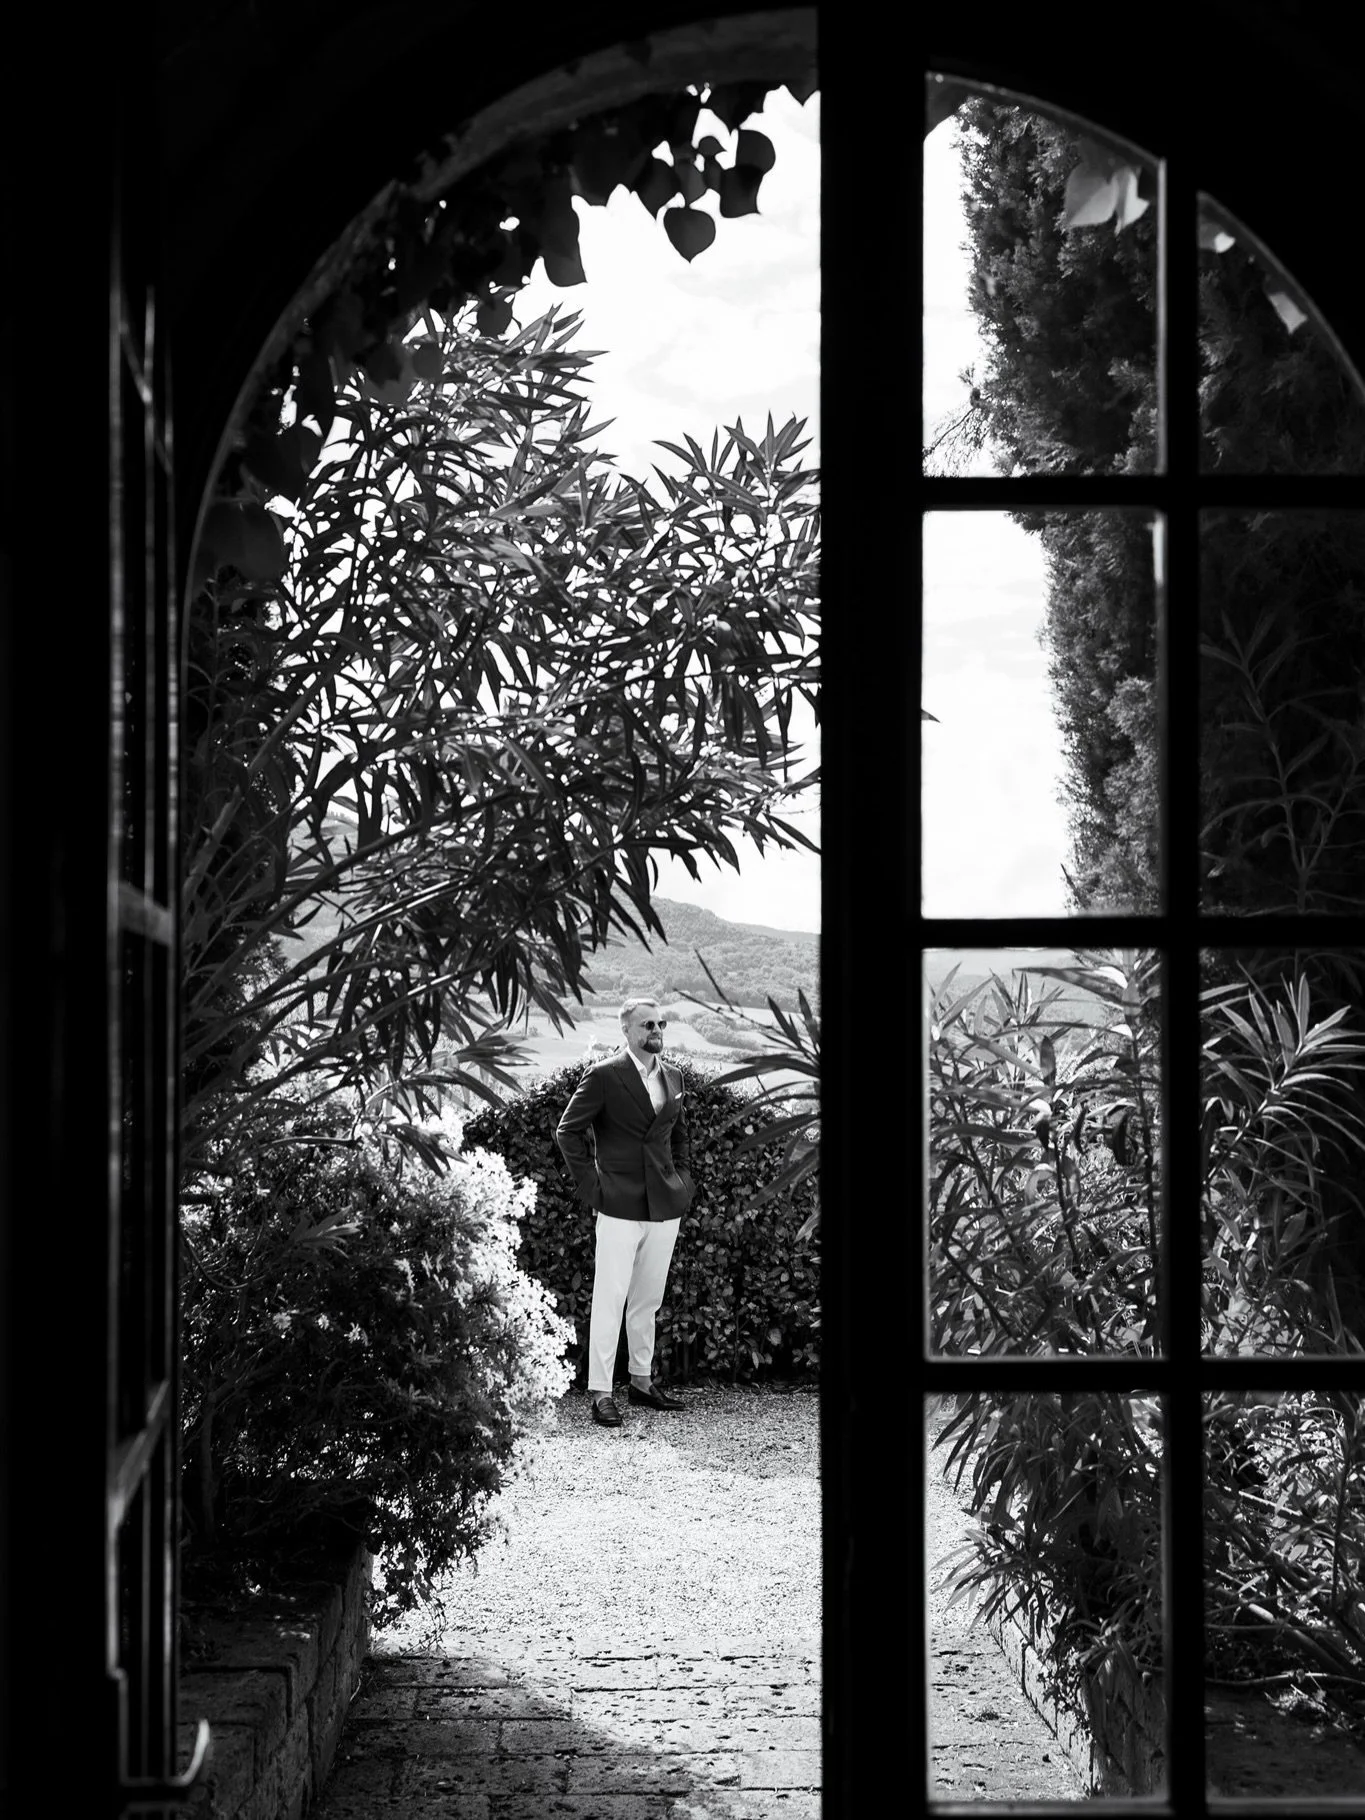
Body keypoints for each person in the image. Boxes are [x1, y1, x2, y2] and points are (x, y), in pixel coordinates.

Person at [555, 997, 694, 1427]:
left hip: (664, 1205)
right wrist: (594, 1188)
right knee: (610, 1299)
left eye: (661, 1023)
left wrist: (684, 1183)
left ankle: (640, 1380)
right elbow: (568, 1131)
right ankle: (599, 1393)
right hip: (618, 1203)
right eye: (648, 1024)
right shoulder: (603, 1075)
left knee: (647, 1300)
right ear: (627, 1031)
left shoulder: (673, 1075)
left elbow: (680, 1136)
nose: (657, 1030)